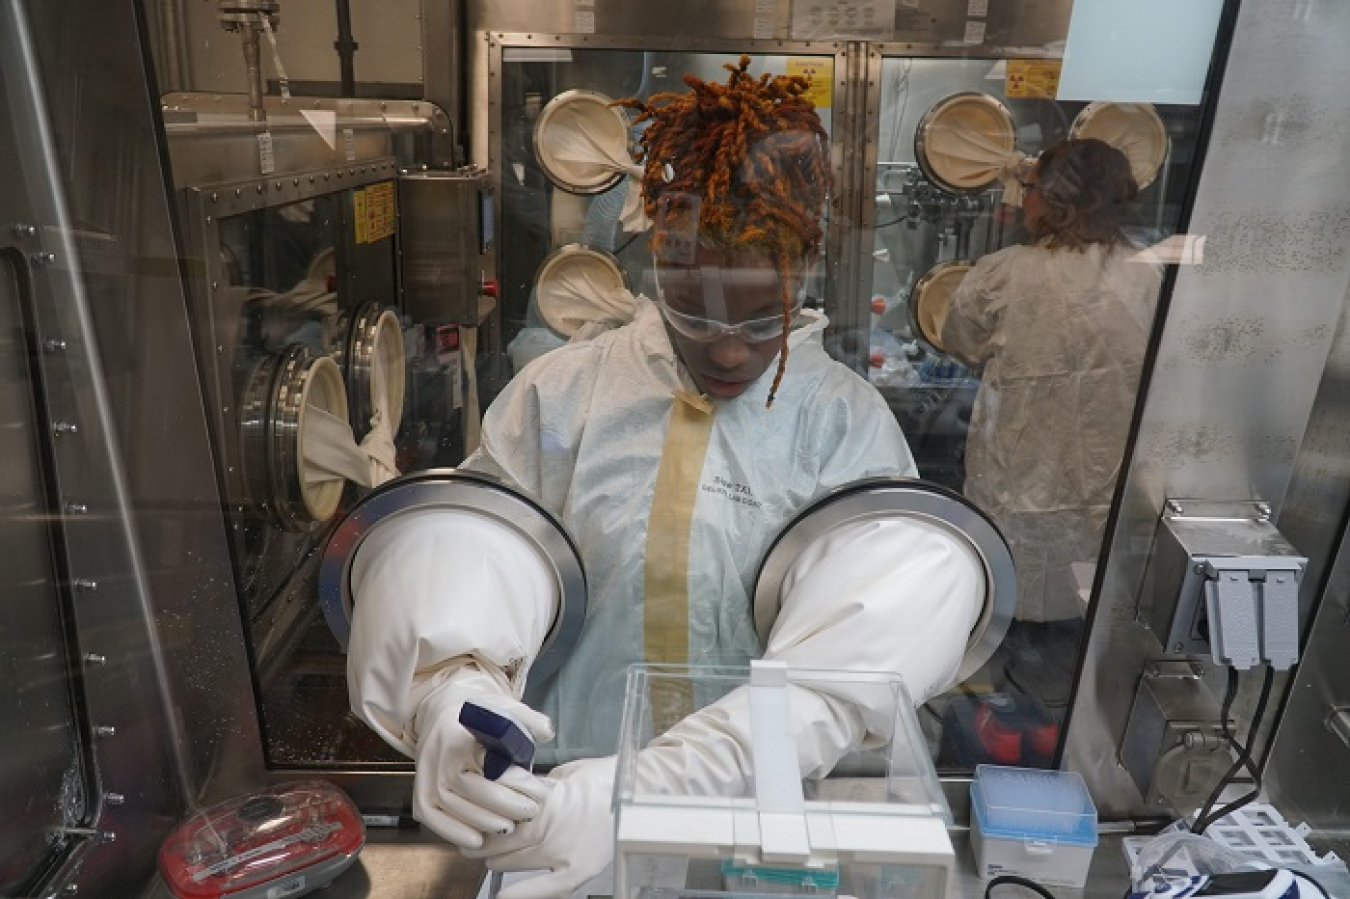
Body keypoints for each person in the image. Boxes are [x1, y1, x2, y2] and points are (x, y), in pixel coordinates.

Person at [347, 57, 986, 899]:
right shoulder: (565, 394)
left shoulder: (841, 426)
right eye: (695, 311)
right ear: (656, 264)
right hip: (556, 822)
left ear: (802, 280)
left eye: (764, 320)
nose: (727, 349)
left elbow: (863, 652)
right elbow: (472, 543)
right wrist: (448, 689)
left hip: (762, 835)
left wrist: (662, 788)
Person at [940, 137, 1163, 712]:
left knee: (1002, 622)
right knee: (1080, 641)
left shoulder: (1004, 274)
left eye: (1032, 189)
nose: (1026, 200)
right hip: (1108, 498)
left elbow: (957, 339)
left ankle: (1000, 724)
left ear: (1054, 200)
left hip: (1019, 488)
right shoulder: (1149, 276)